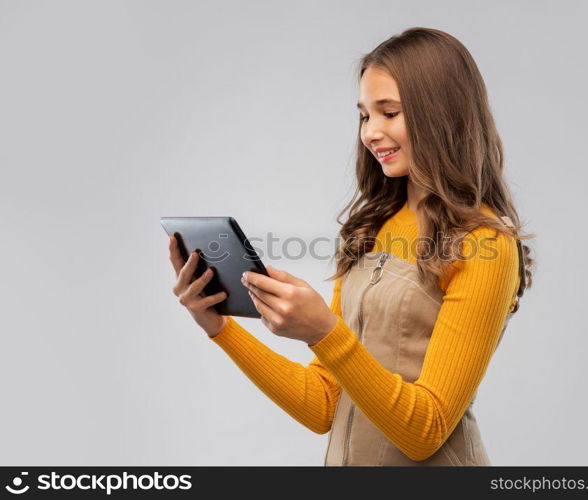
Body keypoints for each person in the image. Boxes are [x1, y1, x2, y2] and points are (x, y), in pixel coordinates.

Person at [167, 27, 535, 466]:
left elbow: (426, 431)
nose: (371, 133)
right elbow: (325, 405)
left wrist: (325, 331)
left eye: (390, 112)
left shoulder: (485, 244)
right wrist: (219, 328)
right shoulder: (371, 228)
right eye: (364, 115)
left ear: (441, 113)